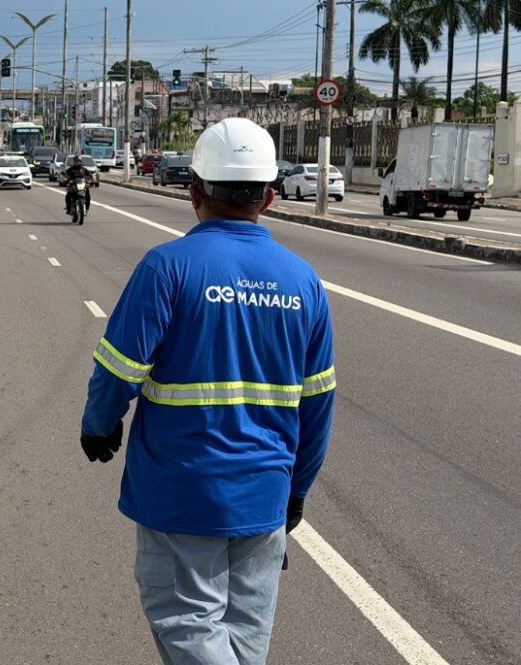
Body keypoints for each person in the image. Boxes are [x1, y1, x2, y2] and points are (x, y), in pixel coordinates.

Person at [79, 117, 335, 665]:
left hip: (181, 494)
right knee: (246, 636)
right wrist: (296, 488)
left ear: (192, 191)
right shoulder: (303, 281)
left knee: (189, 625)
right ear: (269, 197)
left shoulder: (167, 267)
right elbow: (318, 404)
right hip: (264, 495)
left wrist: (97, 426)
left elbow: (118, 370)